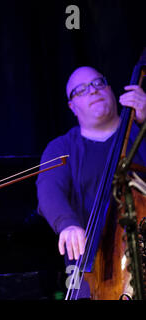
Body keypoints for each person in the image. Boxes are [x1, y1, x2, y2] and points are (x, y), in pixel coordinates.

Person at [36, 66, 146, 297]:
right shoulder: (62, 148)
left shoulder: (141, 133)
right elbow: (49, 190)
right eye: (81, 90)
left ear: (111, 90)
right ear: (72, 107)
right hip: (94, 270)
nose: (93, 91)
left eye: (98, 83)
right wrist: (67, 223)